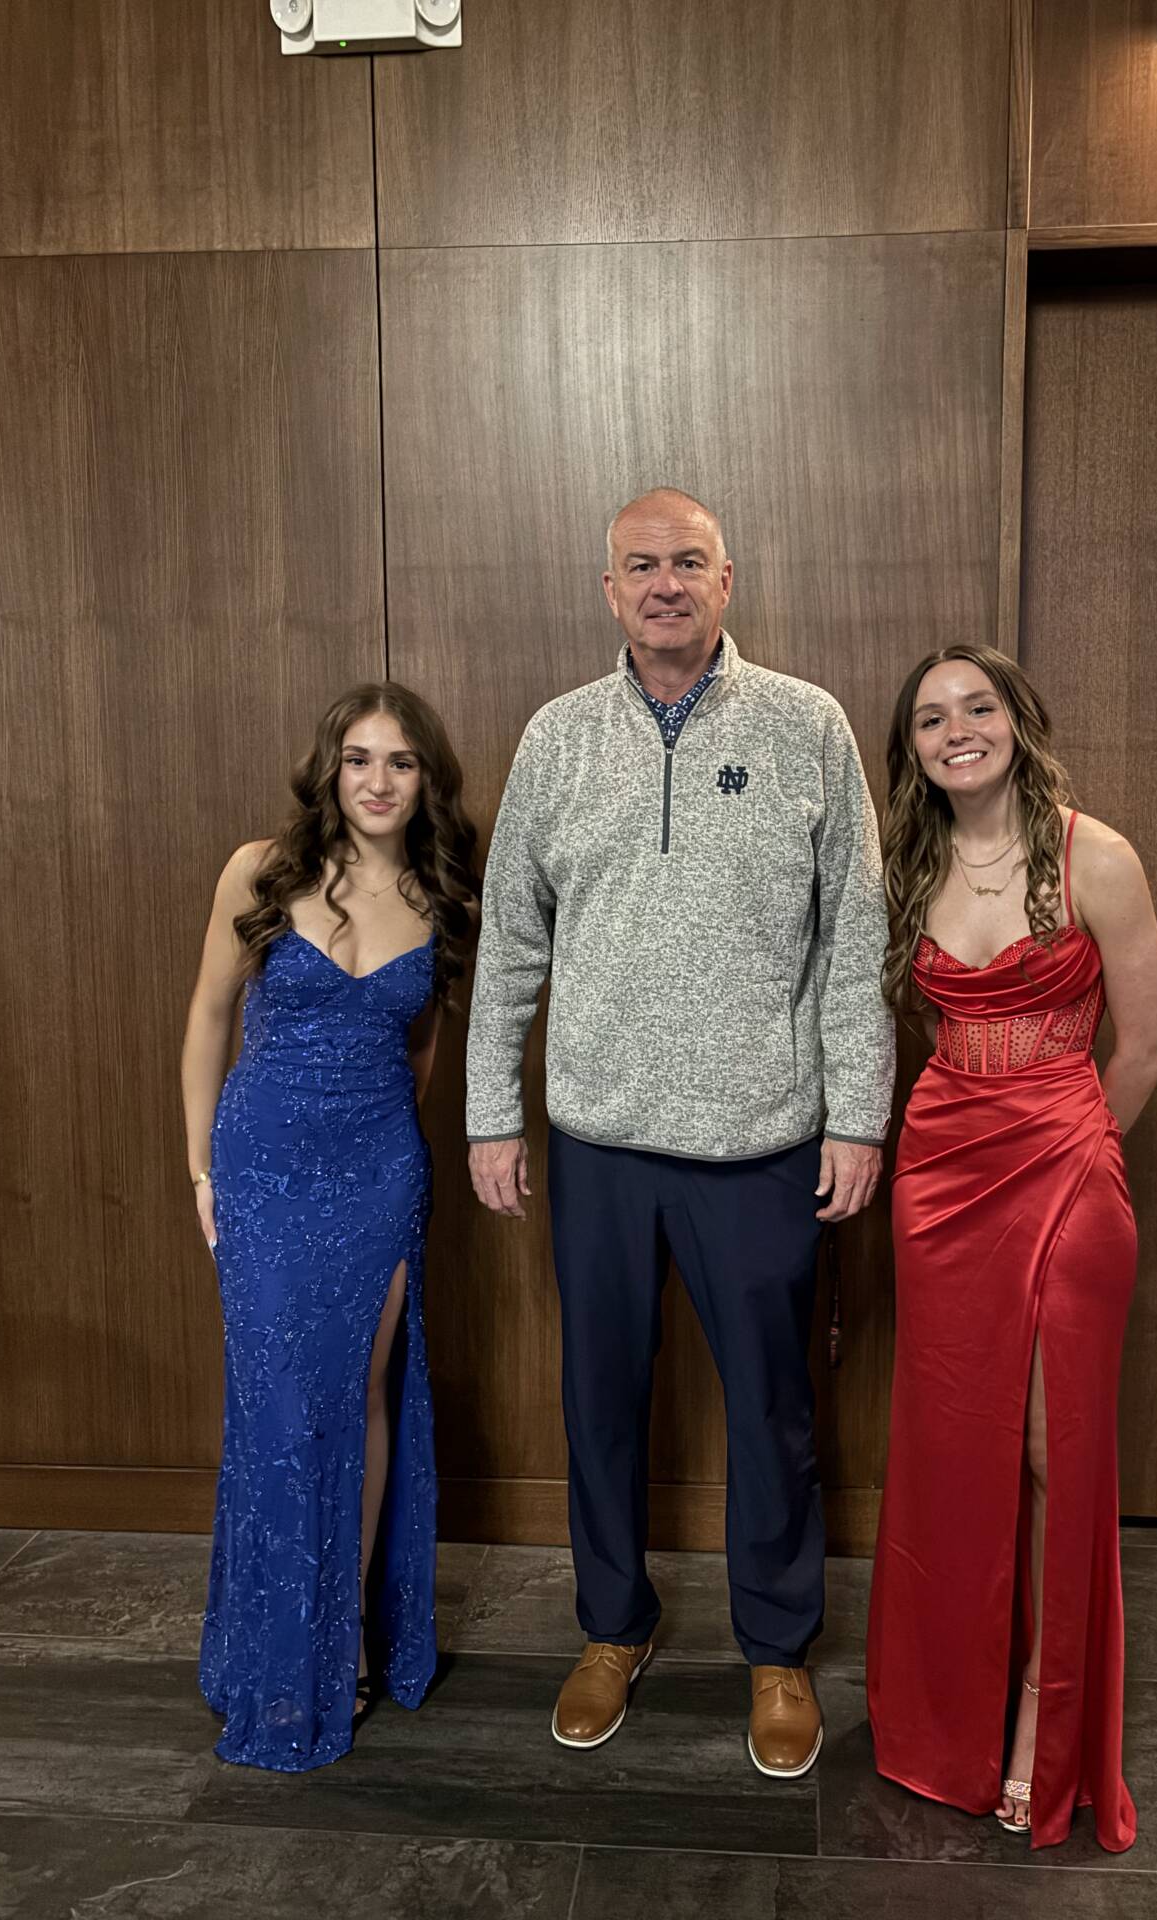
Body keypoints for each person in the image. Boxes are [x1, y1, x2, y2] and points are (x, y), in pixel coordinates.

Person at [465, 488, 895, 1778]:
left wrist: (858, 1114)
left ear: (728, 581)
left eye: (689, 563)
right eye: (641, 565)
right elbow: (510, 947)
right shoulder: (556, 739)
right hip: (598, 1137)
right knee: (600, 1401)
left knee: (771, 1410)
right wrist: (494, 1112)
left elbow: (856, 933)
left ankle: (775, 1650)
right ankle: (612, 1628)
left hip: (763, 1138)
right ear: (609, 590)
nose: (665, 583)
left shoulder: (808, 726)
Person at [866, 645, 1157, 1851]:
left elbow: (1142, 1048)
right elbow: (913, 1023)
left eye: (976, 707)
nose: (957, 731)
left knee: (1050, 1448)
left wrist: (1077, 1143)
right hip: (939, 1178)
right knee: (951, 1446)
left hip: (1067, 1174)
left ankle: (1047, 1713)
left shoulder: (1097, 855)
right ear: (916, 749)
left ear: (1017, 719)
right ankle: (949, 1715)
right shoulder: (911, 863)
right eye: (932, 719)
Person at [181, 683, 479, 1770]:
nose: (379, 781)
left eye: (400, 762)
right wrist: (202, 1166)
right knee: (275, 1404)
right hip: (260, 1166)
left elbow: (420, 1061)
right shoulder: (259, 871)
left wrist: (395, 1163)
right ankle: (272, 1645)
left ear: (424, 779)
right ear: (330, 770)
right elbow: (208, 1018)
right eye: (359, 759)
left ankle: (344, 1636)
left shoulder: (444, 897)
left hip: (378, 1175)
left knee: (360, 1395)